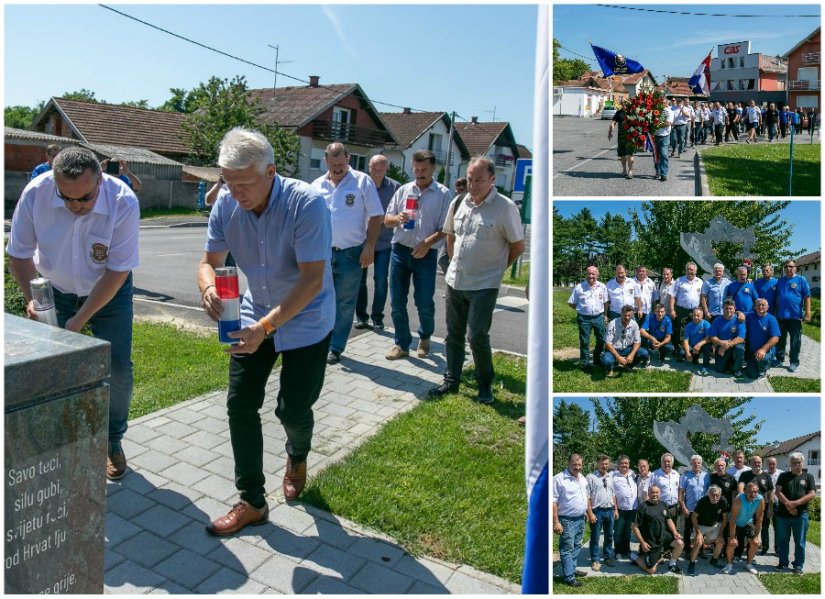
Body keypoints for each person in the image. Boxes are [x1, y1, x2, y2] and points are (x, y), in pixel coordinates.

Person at [197, 127, 335, 534]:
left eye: (244, 184)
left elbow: (311, 281)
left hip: (307, 319)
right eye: (228, 182)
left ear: (271, 171)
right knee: (240, 405)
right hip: (251, 316)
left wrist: (266, 327)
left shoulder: (306, 204)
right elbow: (209, 260)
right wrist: (208, 287)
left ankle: (297, 453)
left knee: (291, 409)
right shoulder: (226, 204)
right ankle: (252, 501)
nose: (235, 193)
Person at [7, 146, 139, 481]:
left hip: (109, 290)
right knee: (52, 366)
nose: (75, 207)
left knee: (118, 367)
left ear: (100, 181)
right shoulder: (36, 193)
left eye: (84, 198)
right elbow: (19, 254)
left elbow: (117, 270)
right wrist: (33, 300)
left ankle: (111, 441)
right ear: (54, 182)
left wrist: (79, 322)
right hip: (55, 291)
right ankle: (59, 440)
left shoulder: (123, 200)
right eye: (66, 198)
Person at [428, 156, 523, 403]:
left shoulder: (505, 207)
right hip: (456, 281)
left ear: (492, 179)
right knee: (453, 334)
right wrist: (451, 264)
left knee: (477, 335)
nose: (473, 185)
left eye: (479, 180)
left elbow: (517, 246)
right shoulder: (459, 201)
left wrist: (498, 269)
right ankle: (451, 379)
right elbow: (450, 235)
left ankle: (484, 384)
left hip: (485, 284)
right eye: (470, 179)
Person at [312, 142, 384, 365]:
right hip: (322, 254)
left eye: (341, 164)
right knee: (320, 301)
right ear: (325, 161)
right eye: (332, 164)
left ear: (348, 159)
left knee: (344, 303)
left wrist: (370, 246)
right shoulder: (316, 185)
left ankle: (336, 347)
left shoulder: (362, 182)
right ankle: (319, 343)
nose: (337, 169)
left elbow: (376, 216)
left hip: (351, 254)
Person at [384, 150, 452, 361]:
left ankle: (425, 337)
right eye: (416, 169)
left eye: (424, 170)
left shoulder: (443, 194)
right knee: (396, 301)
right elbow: (386, 220)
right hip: (400, 250)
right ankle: (402, 344)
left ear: (433, 169)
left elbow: (446, 228)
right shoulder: (404, 190)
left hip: (426, 253)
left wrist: (427, 243)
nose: (419, 173)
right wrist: (397, 218)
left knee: (424, 302)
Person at [354, 155, 400, 331]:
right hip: (362, 241)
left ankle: (377, 317)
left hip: (384, 242)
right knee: (359, 281)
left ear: (386, 169)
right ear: (369, 167)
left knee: (381, 280)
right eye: (374, 169)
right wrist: (381, 217)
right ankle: (361, 316)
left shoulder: (395, 187)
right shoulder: (361, 185)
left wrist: (380, 218)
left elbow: (397, 213)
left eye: (381, 169)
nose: (378, 172)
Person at [775, 452, 817, 574]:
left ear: (802, 463)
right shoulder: (783, 476)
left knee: (800, 542)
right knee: (783, 541)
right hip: (783, 515)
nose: (797, 465)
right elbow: (778, 491)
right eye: (794, 463)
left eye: (799, 462)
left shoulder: (808, 477)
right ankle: (782, 563)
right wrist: (789, 505)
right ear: (790, 464)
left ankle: (798, 565)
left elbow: (812, 494)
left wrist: (795, 504)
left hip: (801, 515)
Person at [553, 454, 589, 587]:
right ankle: (569, 577)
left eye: (580, 465)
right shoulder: (559, 479)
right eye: (575, 465)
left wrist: (585, 511)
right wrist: (556, 522)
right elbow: (553, 502)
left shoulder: (582, 478)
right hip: (566, 520)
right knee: (567, 548)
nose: (578, 467)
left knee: (576, 546)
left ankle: (572, 570)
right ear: (568, 463)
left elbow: (583, 497)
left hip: (580, 518)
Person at [631, 485, 684, 574]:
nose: (655, 494)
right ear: (648, 494)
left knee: (680, 543)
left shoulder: (663, 504)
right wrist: (642, 543)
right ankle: (635, 557)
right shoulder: (643, 507)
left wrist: (675, 532)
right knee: (652, 570)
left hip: (663, 537)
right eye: (652, 492)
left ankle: (672, 564)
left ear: (660, 493)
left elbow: (668, 519)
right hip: (651, 542)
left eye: (657, 492)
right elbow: (634, 527)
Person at [567, 265, 608, 372]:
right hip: (584, 319)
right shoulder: (579, 287)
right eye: (589, 273)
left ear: (597, 275)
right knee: (585, 342)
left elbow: (605, 302)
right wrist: (581, 309)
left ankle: (596, 358)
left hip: (599, 317)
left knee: (602, 339)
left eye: (593, 274)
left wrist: (605, 315)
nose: (591, 276)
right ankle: (585, 363)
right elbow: (571, 302)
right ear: (586, 274)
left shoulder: (602, 287)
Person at [774, 259, 812, 372]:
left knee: (795, 341)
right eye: (786, 267)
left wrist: (808, 313)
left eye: (791, 266)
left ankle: (794, 362)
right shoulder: (780, 281)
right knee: (780, 339)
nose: (788, 268)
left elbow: (807, 297)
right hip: (781, 316)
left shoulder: (801, 280)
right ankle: (779, 359)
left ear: (795, 268)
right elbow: (777, 298)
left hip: (795, 317)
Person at [723, 482, 764, 575]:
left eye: (755, 492)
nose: (753, 494)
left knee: (755, 543)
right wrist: (733, 537)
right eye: (750, 492)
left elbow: (759, 519)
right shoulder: (739, 499)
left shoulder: (760, 499)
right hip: (735, 523)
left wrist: (756, 536)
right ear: (745, 491)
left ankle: (749, 564)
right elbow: (733, 520)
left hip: (748, 522)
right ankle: (729, 564)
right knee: (731, 543)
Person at [688, 485, 729, 575]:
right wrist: (698, 533)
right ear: (708, 494)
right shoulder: (703, 501)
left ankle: (714, 560)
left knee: (720, 541)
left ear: (720, 495)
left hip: (714, 525)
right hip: (700, 525)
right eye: (712, 495)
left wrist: (720, 534)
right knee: (698, 542)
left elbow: (725, 518)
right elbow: (694, 517)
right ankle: (692, 562)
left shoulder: (723, 501)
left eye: (717, 495)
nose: (715, 497)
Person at [586, 455, 618, 571]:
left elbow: (613, 495)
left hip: (609, 510)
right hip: (597, 511)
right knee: (595, 537)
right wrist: (590, 513)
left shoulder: (610, 477)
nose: (604, 466)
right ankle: (595, 560)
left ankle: (608, 557)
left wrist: (615, 510)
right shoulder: (591, 477)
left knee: (609, 536)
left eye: (606, 464)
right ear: (597, 464)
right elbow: (587, 497)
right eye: (602, 464)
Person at [739, 455, 774, 558]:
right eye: (755, 462)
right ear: (750, 464)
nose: (757, 464)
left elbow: (770, 493)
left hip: (762, 507)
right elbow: (740, 485)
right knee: (745, 528)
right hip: (748, 507)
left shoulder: (766, 476)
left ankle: (760, 549)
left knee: (762, 528)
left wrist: (770, 508)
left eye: (759, 462)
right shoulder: (745, 474)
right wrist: (741, 499)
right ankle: (742, 551)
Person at [602, 305, 647, 377]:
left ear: (632, 315)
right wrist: (618, 357)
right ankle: (609, 368)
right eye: (625, 315)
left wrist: (631, 355)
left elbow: (637, 342)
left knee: (644, 353)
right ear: (621, 314)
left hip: (627, 349)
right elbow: (607, 343)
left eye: (629, 316)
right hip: (614, 349)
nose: (627, 318)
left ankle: (629, 365)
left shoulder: (634, 324)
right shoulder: (612, 324)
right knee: (606, 361)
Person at [669, 262, 703, 356]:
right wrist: (672, 309)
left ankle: (693, 350)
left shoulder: (700, 282)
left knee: (695, 329)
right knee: (681, 330)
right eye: (687, 269)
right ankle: (681, 350)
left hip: (695, 310)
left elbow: (703, 297)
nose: (689, 271)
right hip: (682, 309)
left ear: (695, 271)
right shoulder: (679, 280)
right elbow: (672, 296)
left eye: (691, 269)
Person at [679, 455, 710, 558]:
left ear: (701, 464)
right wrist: (683, 506)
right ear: (691, 464)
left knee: (702, 530)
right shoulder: (686, 476)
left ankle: (700, 549)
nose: (696, 464)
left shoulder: (706, 476)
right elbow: (681, 492)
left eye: (698, 463)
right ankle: (687, 550)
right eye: (694, 462)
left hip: (702, 509)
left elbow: (709, 491)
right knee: (688, 530)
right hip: (689, 508)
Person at [203, 174, 236, 267]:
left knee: (230, 263)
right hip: (218, 229)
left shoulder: (236, 187)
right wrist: (219, 184)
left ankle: (230, 280)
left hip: (232, 229)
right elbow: (208, 200)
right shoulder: (219, 188)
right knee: (214, 263)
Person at [436, 178, 467, 275]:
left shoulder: (471, 203)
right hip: (450, 235)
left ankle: (455, 276)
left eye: (461, 190)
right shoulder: (455, 201)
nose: (458, 192)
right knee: (442, 260)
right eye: (457, 190)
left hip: (461, 238)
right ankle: (451, 276)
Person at [744, 298, 780, 379]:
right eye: (758, 305)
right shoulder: (750, 316)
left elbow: (775, 338)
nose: (760, 306)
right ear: (755, 307)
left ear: (767, 307)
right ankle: (754, 365)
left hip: (766, 351)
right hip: (752, 351)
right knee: (752, 375)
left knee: (764, 359)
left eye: (763, 305)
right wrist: (738, 313)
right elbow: (738, 313)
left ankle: (763, 370)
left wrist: (763, 349)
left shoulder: (771, 319)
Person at [709, 299, 746, 377]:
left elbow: (741, 338)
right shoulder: (717, 320)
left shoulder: (739, 320)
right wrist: (721, 343)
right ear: (723, 308)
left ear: (734, 309)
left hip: (734, 346)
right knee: (719, 369)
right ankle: (729, 364)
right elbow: (712, 337)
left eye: (731, 308)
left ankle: (737, 369)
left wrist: (726, 346)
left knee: (740, 348)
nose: (728, 310)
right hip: (721, 345)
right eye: (726, 308)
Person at [612, 455, 639, 560]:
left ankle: (626, 550)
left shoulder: (633, 474)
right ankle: (618, 551)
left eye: (626, 463)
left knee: (627, 531)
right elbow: (612, 494)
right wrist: (615, 509)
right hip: (620, 509)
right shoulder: (613, 476)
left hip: (632, 509)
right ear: (618, 465)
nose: (624, 465)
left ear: (629, 464)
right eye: (622, 463)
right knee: (618, 532)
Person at [607, 102, 634, 179]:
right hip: (621, 136)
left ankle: (630, 171)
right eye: (622, 104)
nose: (624, 105)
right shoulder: (618, 113)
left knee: (630, 154)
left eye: (625, 104)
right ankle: (624, 170)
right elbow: (613, 122)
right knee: (622, 155)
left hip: (630, 136)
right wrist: (610, 131)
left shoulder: (632, 112)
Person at [682, 307, 712, 375]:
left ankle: (705, 366)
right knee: (682, 353)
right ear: (692, 316)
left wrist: (699, 345)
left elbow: (708, 338)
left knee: (707, 346)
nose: (696, 317)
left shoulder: (706, 324)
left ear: (702, 316)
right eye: (694, 315)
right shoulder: (688, 326)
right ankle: (693, 359)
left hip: (701, 346)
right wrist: (687, 353)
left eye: (698, 316)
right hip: (692, 346)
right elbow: (686, 340)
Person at [764, 456, 784, 555]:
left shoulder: (781, 474)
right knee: (764, 527)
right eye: (769, 464)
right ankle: (764, 547)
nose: (771, 466)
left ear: (776, 464)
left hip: (778, 504)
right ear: (766, 464)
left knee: (778, 527)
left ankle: (778, 549)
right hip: (764, 503)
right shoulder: (763, 474)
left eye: (773, 464)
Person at [653, 100, 675, 182]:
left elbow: (667, 123)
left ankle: (664, 173)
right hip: (655, 136)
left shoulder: (669, 112)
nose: (661, 103)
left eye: (663, 102)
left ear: (667, 103)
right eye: (660, 102)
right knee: (656, 155)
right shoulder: (656, 111)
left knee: (664, 154)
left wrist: (656, 124)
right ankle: (658, 171)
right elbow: (650, 121)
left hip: (665, 136)